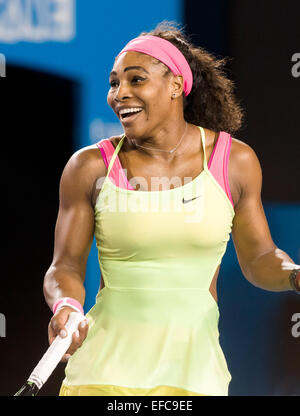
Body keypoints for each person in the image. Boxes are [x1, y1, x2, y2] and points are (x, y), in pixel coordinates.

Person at [43, 22, 300, 396]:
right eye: (114, 83)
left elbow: (259, 256)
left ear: (176, 85)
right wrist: (66, 305)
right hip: (101, 376)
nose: (119, 94)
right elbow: (64, 266)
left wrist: (294, 275)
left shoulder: (235, 162)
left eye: (136, 80)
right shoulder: (89, 167)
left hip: (195, 379)